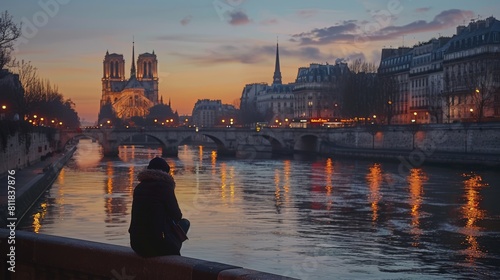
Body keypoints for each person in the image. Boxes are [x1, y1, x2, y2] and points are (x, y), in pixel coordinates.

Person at [129, 157, 190, 257]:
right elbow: (177, 215)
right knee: (184, 223)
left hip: (136, 243)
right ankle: (172, 252)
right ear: (166, 173)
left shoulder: (139, 187)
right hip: (157, 245)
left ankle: (171, 249)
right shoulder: (165, 187)